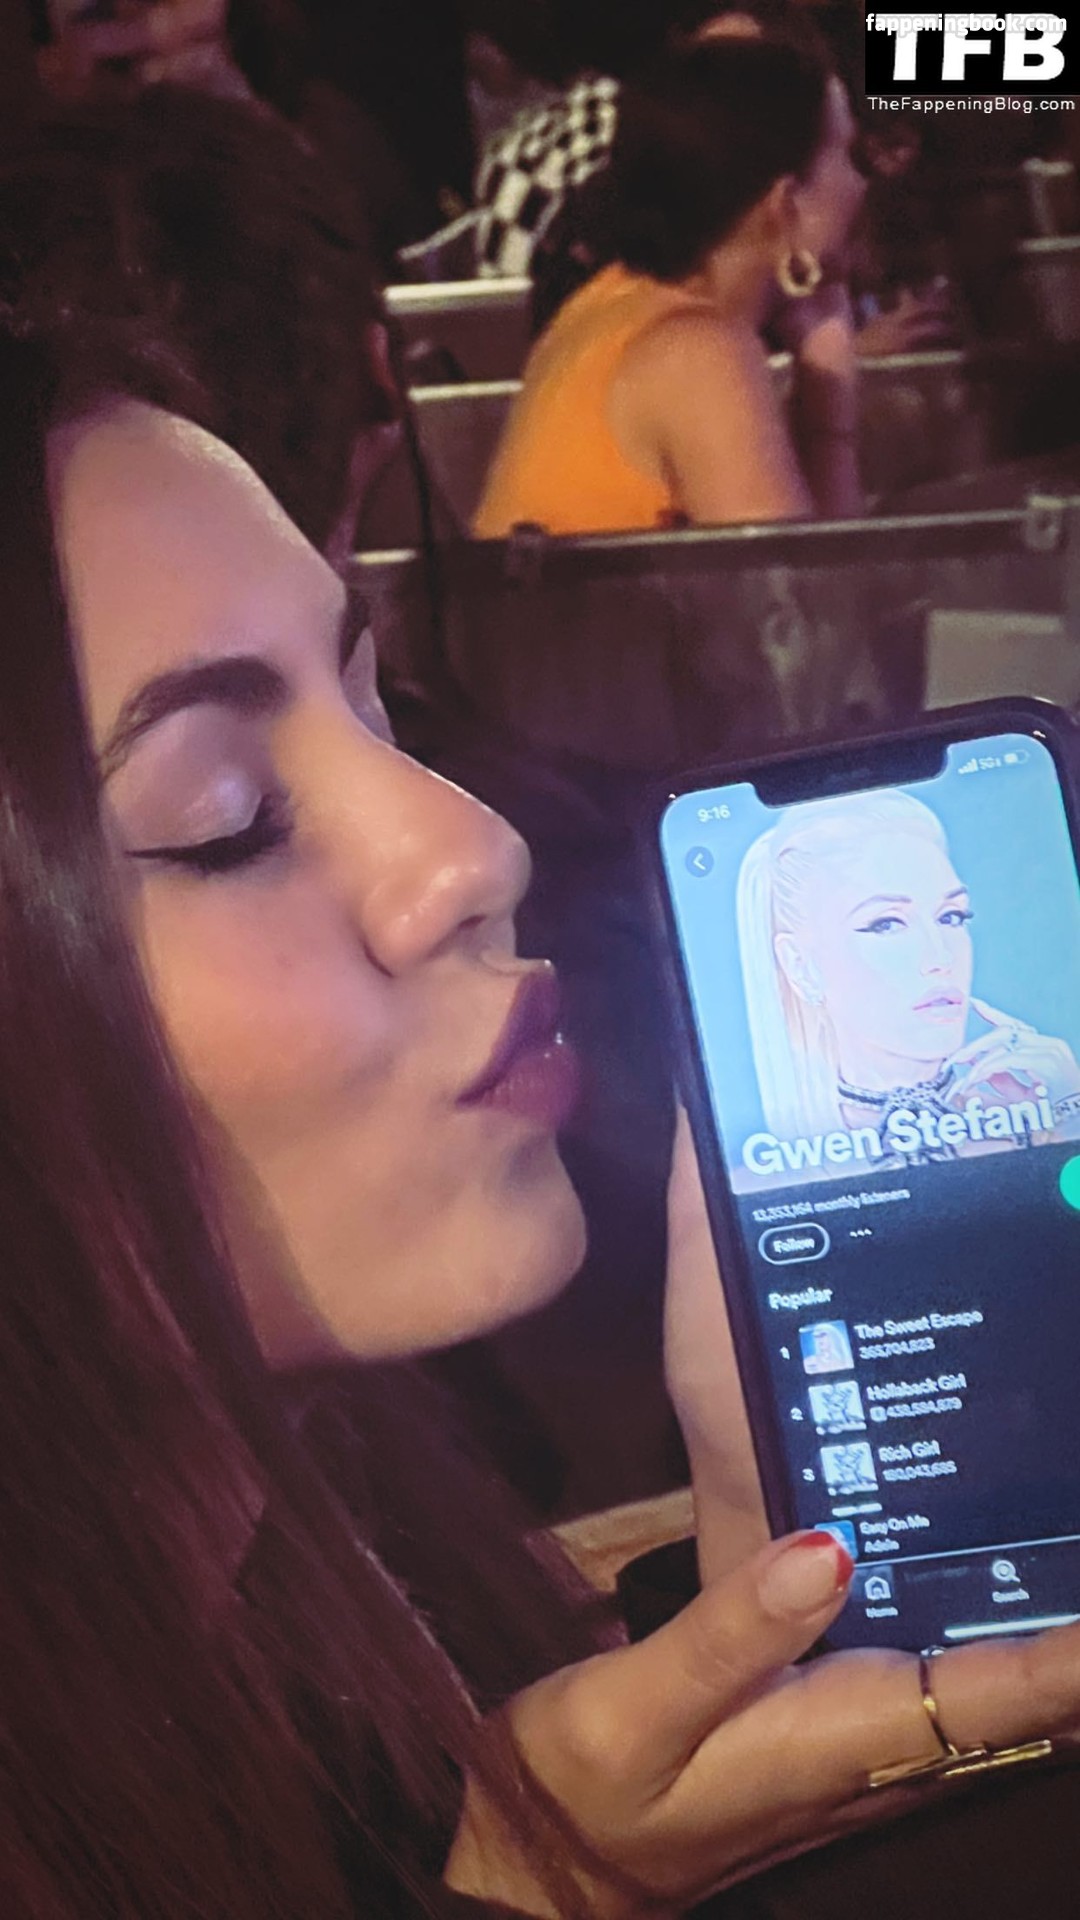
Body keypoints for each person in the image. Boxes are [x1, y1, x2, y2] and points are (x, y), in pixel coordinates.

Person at [7, 307, 1080, 1915]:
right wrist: (524, 1893)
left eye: (372, 707)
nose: (476, 849)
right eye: (223, 820)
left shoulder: (340, 1589)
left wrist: (768, 1581)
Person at [473, 37, 868, 539]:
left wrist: (822, 367)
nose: (861, 183)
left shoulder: (609, 300)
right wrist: (830, 410)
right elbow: (805, 585)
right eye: (848, 157)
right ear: (785, 205)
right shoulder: (696, 352)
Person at [735, 788, 1080, 1167]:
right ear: (800, 965)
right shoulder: (768, 1159)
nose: (940, 958)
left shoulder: (1029, 1106)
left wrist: (1069, 1115)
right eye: (885, 924)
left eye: (951, 917)